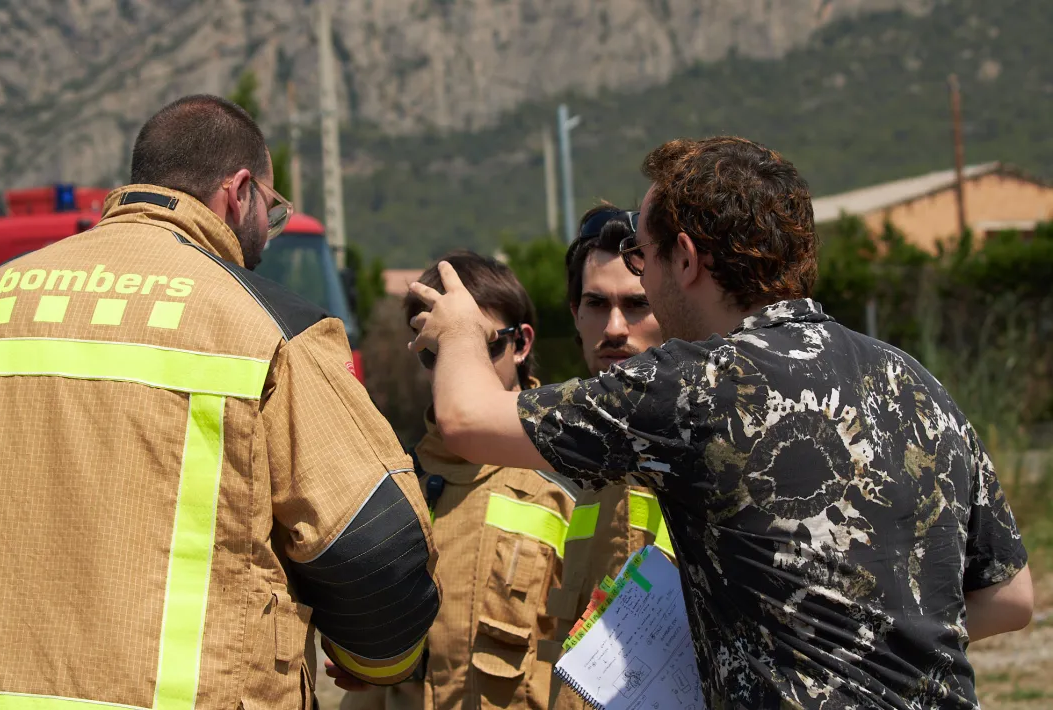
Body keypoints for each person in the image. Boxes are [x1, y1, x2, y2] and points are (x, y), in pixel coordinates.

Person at [406, 136, 1034, 708]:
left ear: (685, 260)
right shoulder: (914, 382)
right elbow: (1009, 598)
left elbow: (465, 419)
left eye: (641, 256)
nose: (641, 275)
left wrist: (460, 327)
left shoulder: (694, 384)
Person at [0, 95, 440, 709]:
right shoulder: (265, 321)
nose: (268, 229)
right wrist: (378, 661)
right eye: (273, 208)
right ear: (239, 194)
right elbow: (376, 544)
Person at [338, 251, 576, 710]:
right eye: (434, 348)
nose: (456, 360)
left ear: (522, 343)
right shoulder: (396, 483)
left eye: (479, 342)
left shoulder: (572, 471)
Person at [538, 205, 669, 709]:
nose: (615, 328)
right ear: (574, 313)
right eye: (596, 303)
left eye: (637, 304)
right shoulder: (564, 452)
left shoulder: (721, 437)